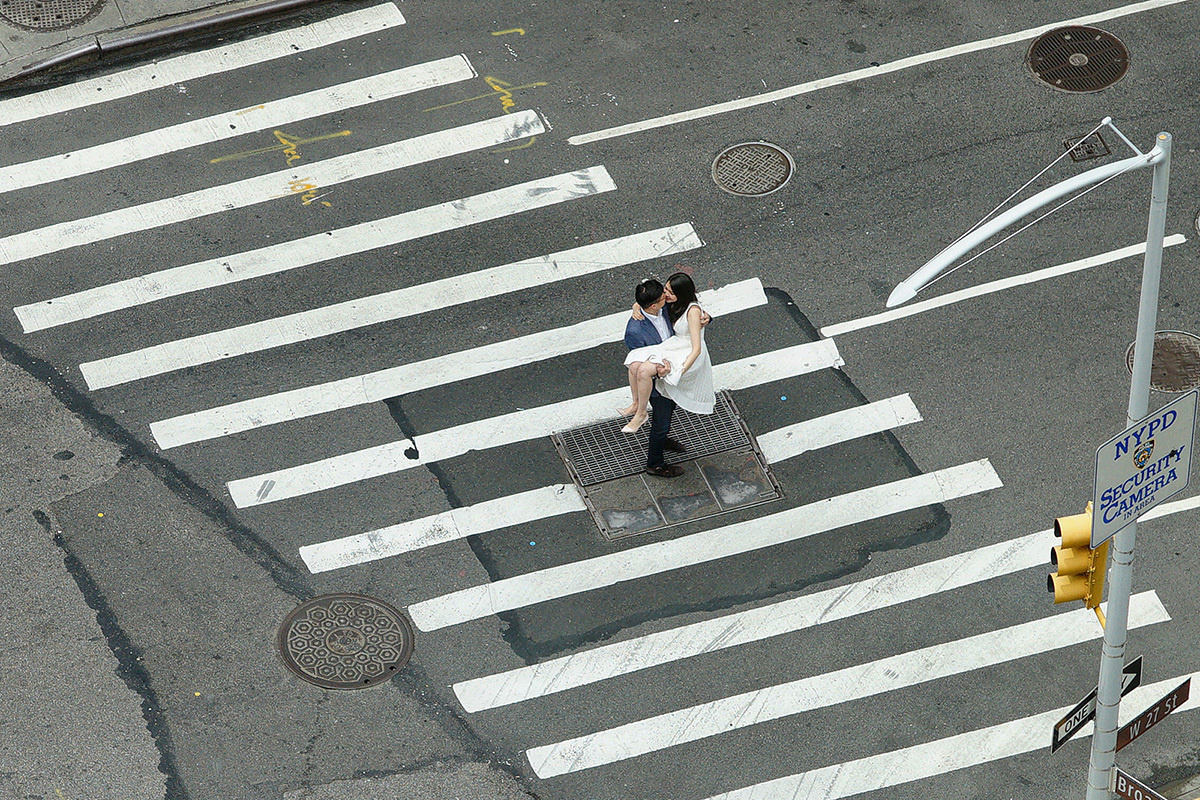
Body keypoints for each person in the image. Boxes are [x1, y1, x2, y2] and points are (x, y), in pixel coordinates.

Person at [621, 278, 687, 478]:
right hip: (657, 384)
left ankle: (662, 439)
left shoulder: (663, 309)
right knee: (662, 421)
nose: (666, 297)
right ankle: (655, 464)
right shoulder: (634, 330)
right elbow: (640, 362)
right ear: (652, 305)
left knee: (670, 410)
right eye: (662, 297)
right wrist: (660, 371)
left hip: (673, 370)